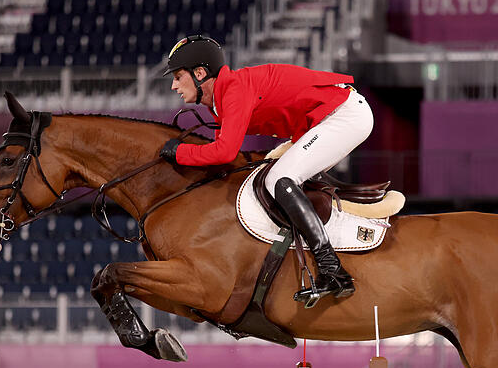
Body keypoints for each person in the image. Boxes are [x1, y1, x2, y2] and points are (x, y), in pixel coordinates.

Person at [159, 35, 374, 304]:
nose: (173, 85)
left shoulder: (234, 90)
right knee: (278, 177)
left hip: (343, 115)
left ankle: (332, 270)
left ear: (200, 73)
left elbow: (224, 153)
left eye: (178, 77)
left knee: (280, 179)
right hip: (332, 118)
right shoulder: (226, 95)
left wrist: (179, 152)